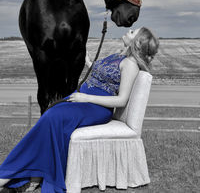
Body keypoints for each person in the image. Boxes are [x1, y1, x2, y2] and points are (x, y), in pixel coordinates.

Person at [0, 27, 159, 193]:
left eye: (134, 32)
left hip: (95, 108)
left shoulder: (130, 65)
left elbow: (121, 100)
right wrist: (89, 63)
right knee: (49, 115)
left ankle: (7, 175)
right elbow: (106, 76)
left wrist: (86, 98)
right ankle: (34, 173)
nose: (129, 30)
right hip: (82, 100)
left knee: (53, 117)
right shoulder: (120, 56)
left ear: (138, 42)